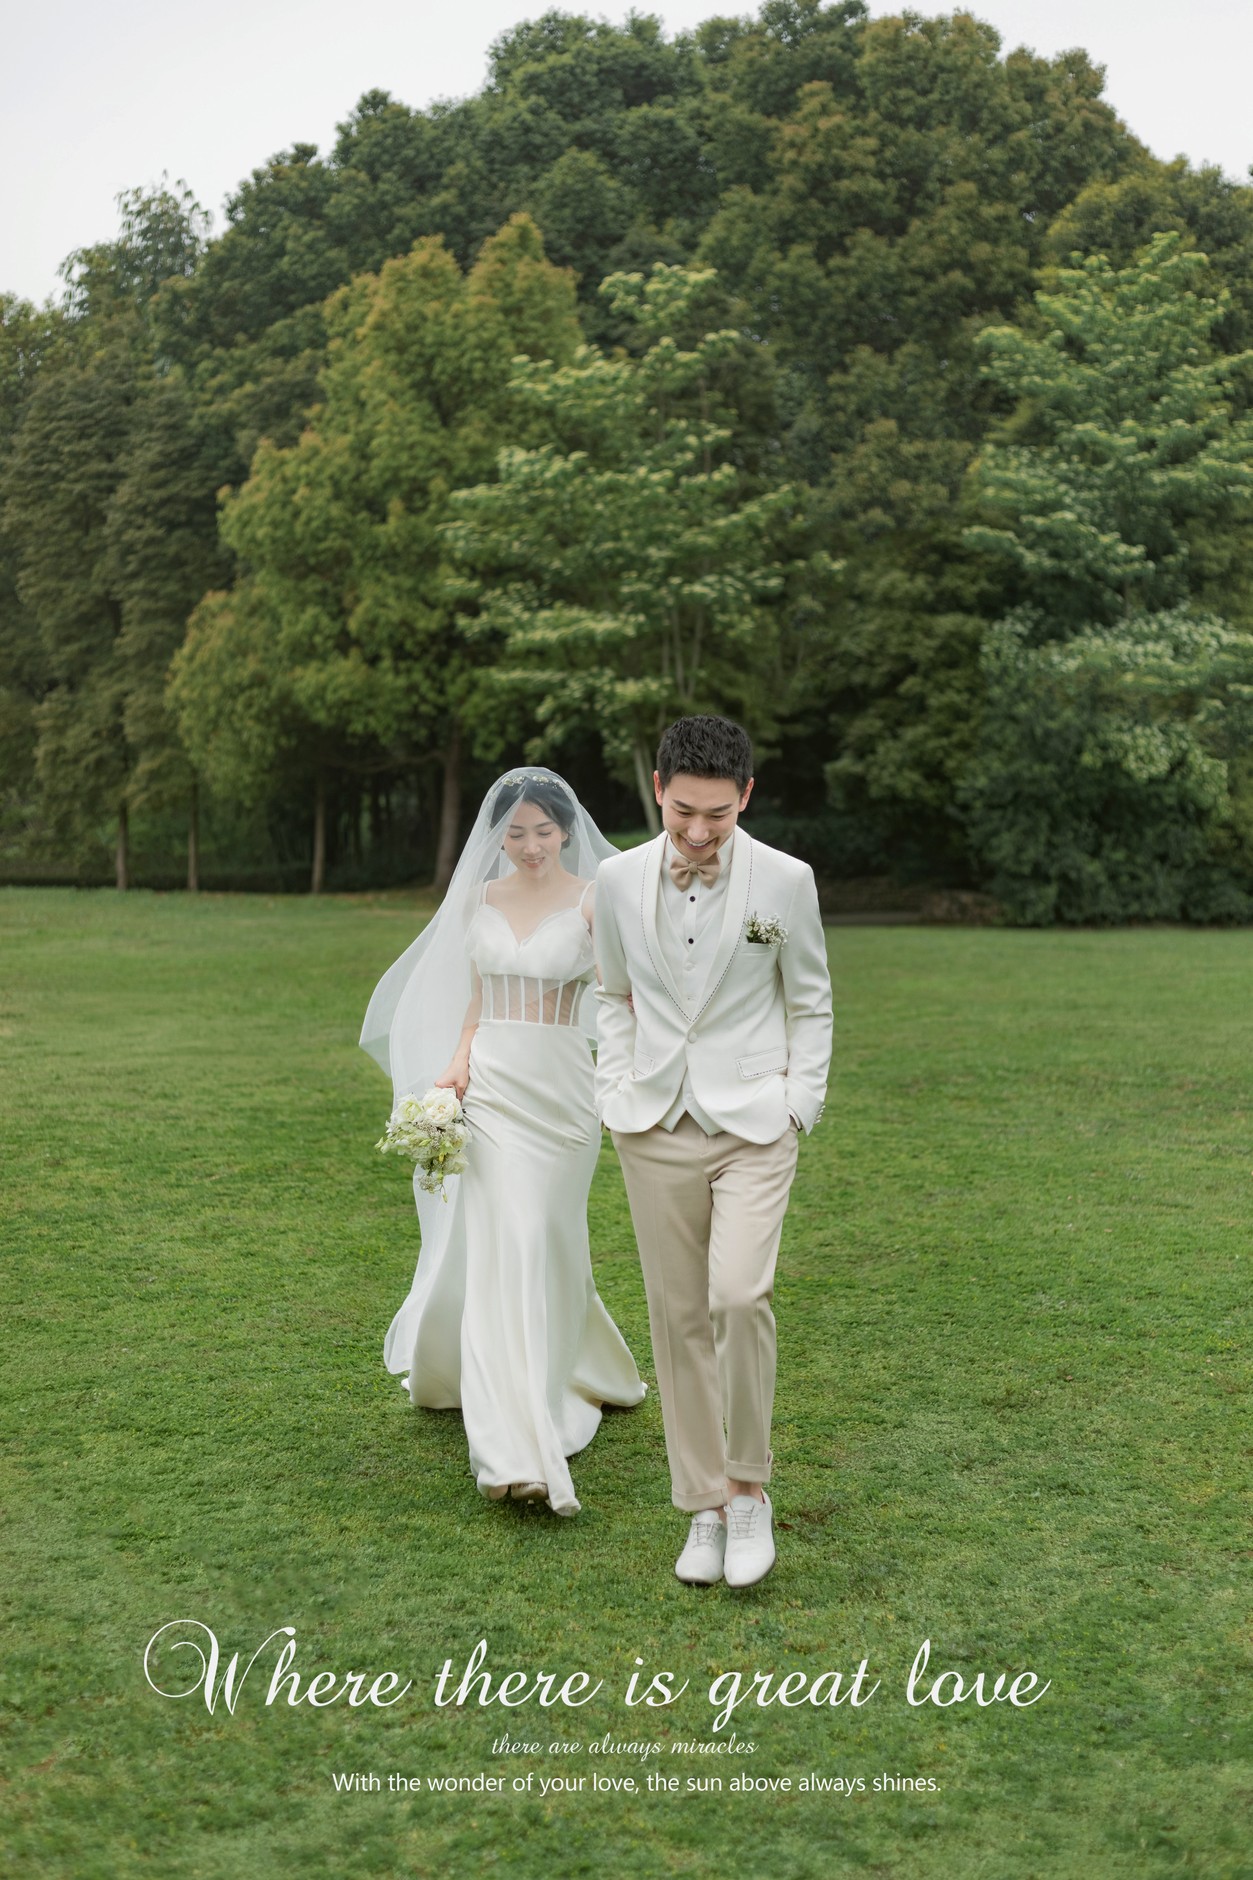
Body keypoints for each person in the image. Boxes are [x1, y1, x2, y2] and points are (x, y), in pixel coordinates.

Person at [359, 769, 645, 1516]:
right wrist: (455, 1069)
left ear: (565, 830)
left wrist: (619, 1082)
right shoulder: (481, 899)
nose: (529, 845)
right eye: (515, 833)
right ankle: (511, 1444)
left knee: (547, 1237)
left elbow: (621, 999)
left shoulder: (595, 899)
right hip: (490, 1090)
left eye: (542, 831)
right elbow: (475, 1003)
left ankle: (569, 1363)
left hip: (563, 1094)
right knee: (504, 1241)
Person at [593, 716, 832, 1586]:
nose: (698, 832)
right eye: (683, 811)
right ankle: (700, 1504)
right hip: (652, 1124)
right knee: (677, 1316)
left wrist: (798, 1103)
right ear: (658, 788)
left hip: (755, 1125)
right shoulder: (615, 881)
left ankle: (747, 1493)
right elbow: (611, 994)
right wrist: (615, 1093)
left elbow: (810, 1001)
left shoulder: (787, 881)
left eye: (718, 815)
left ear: (746, 796)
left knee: (736, 1296)